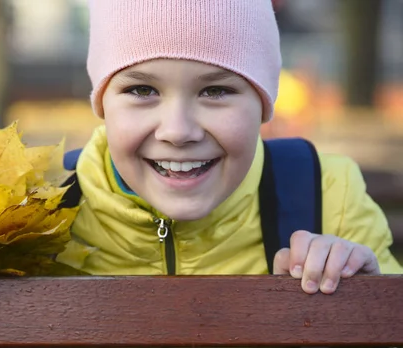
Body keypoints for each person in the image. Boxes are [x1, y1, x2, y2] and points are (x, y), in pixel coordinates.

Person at [55, 0, 403, 294]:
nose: (178, 131)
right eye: (142, 91)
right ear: (102, 104)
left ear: (263, 103)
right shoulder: (37, 214)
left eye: (216, 91)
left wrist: (365, 299)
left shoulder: (328, 196)